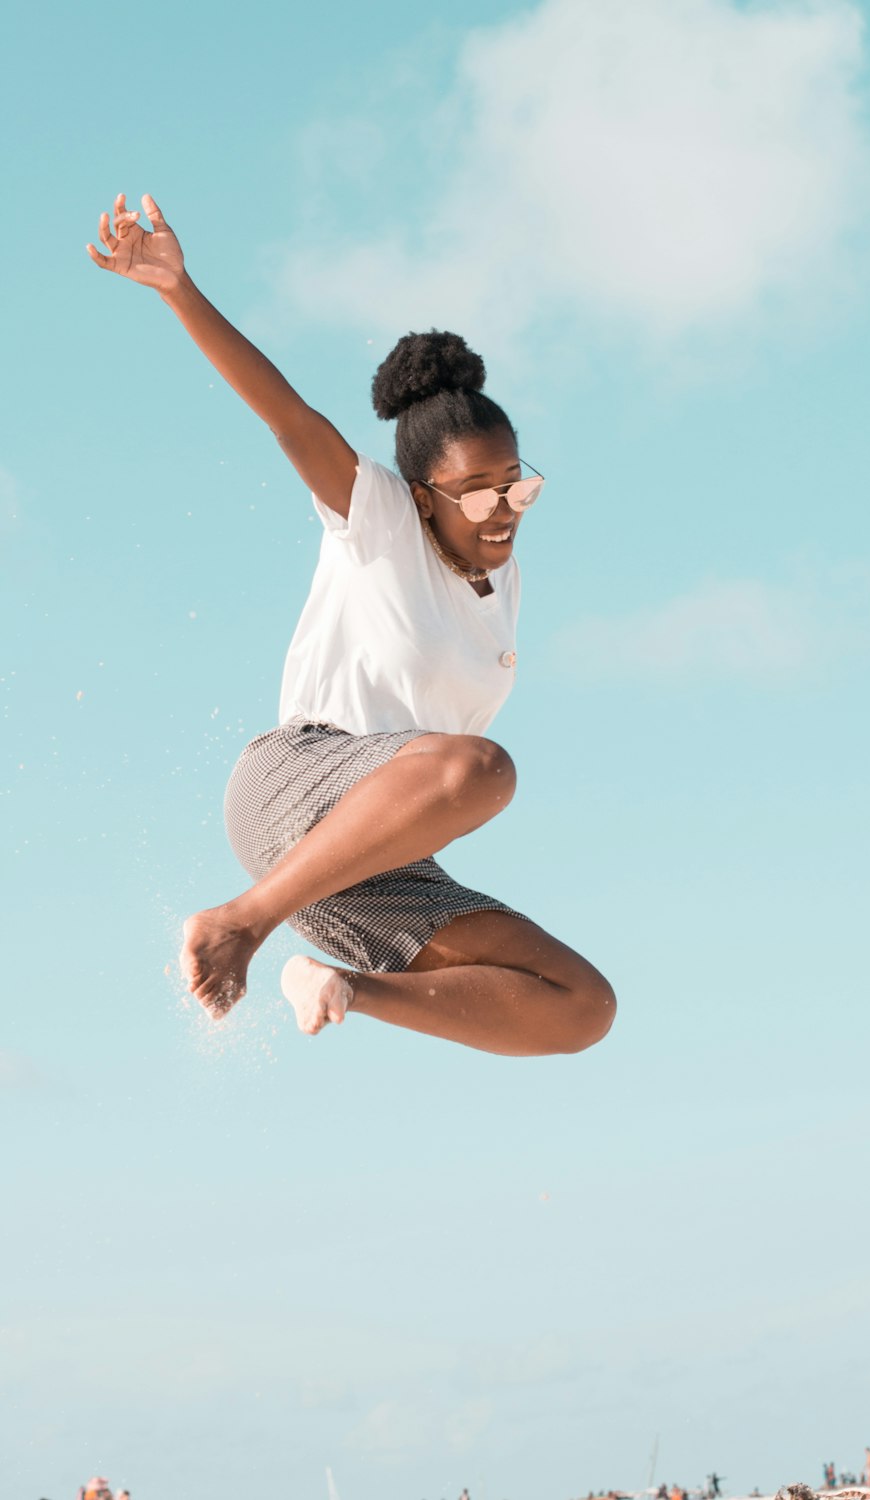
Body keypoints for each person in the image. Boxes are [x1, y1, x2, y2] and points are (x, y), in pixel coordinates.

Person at [86, 193, 616, 1057]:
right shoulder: (378, 520)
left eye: (518, 484)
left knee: (581, 1005)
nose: (504, 510)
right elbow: (289, 416)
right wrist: (177, 289)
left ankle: (339, 986)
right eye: (479, 492)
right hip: (296, 790)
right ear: (420, 497)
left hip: (372, 863)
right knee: (483, 772)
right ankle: (241, 923)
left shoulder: (501, 583)